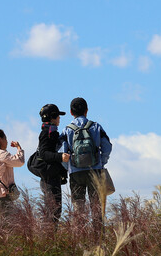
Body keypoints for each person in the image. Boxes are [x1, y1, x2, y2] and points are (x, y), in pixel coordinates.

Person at [62, 97, 112, 229]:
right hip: (94, 171)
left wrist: (68, 168)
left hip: (75, 173)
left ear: (71, 112)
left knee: (79, 209)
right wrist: (101, 162)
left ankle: (81, 238)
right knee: (96, 207)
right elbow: (107, 146)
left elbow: (63, 153)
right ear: (86, 111)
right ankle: (98, 238)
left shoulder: (67, 129)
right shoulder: (95, 126)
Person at [37, 104, 70, 224]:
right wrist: (60, 157)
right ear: (52, 118)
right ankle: (47, 238)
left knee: (54, 211)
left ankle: (48, 238)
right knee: (54, 212)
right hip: (49, 178)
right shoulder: (47, 132)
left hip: (51, 177)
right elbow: (44, 154)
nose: (59, 119)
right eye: (58, 116)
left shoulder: (50, 131)